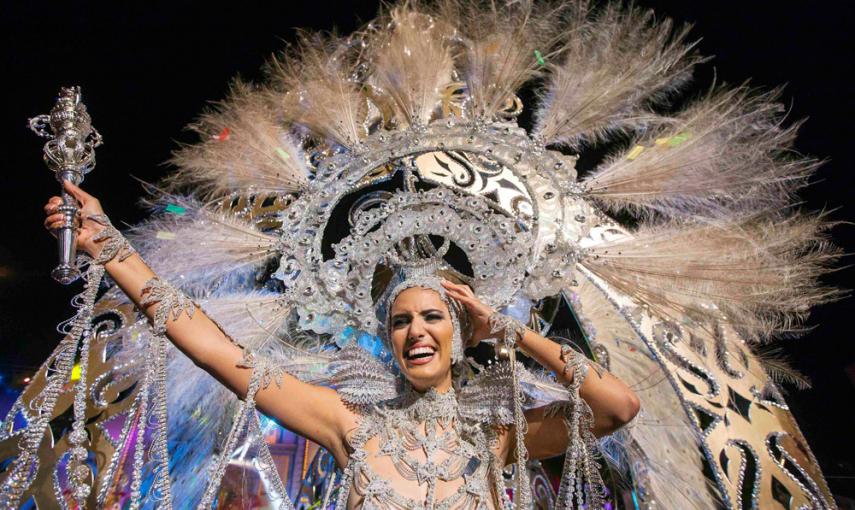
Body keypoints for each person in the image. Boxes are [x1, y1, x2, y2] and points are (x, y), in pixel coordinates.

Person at [44, 179, 639, 508]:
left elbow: (617, 407)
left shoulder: (498, 434)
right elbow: (215, 351)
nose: (415, 332)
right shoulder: (348, 421)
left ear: (459, 337)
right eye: (400, 322)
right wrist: (110, 248)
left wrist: (509, 329)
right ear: (389, 340)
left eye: (433, 316)